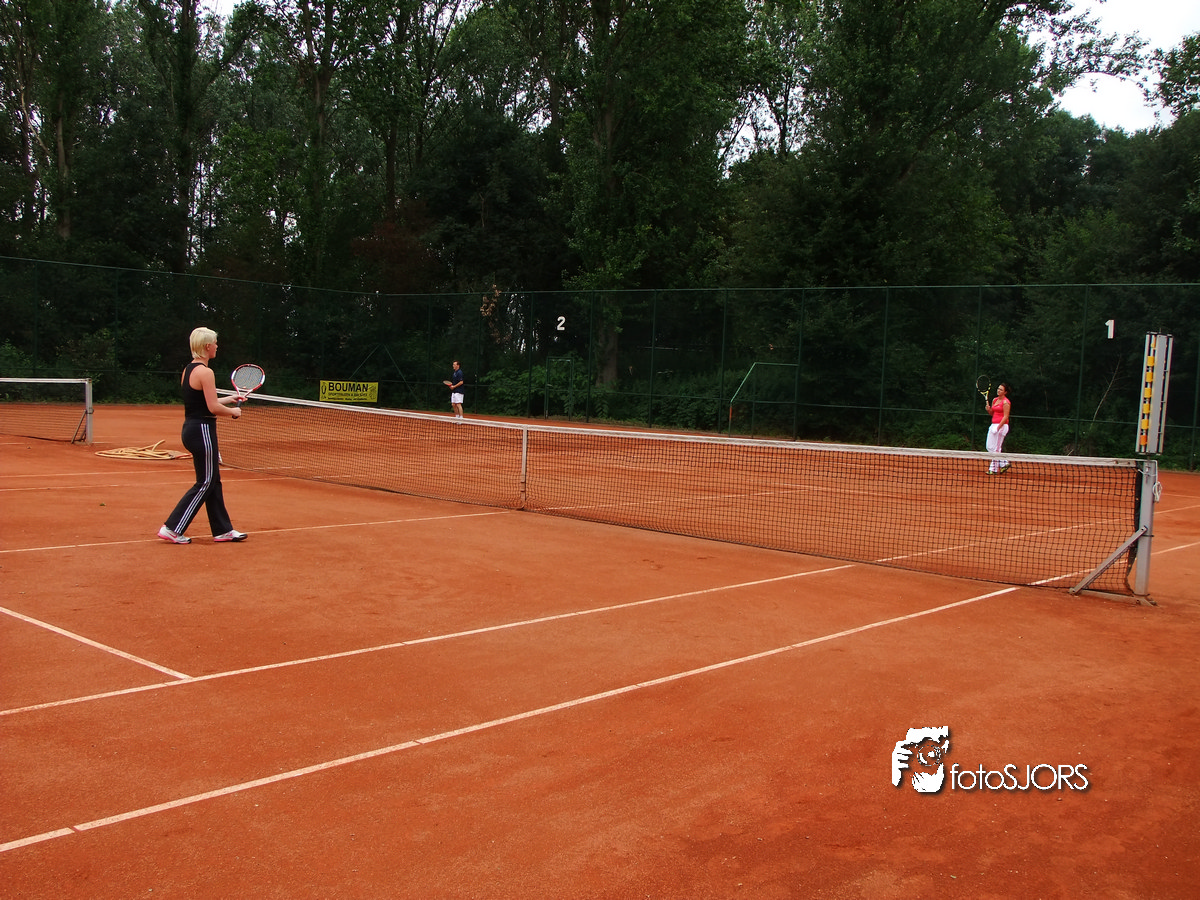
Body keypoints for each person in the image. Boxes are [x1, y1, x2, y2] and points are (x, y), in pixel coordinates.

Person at [158, 327, 248, 544]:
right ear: (208, 346)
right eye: (215, 343)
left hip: (192, 428)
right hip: (202, 431)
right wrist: (233, 411)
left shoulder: (189, 369)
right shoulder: (206, 372)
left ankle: (222, 530)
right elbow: (212, 408)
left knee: (213, 480)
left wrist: (230, 399)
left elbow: (204, 401)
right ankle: (172, 528)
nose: (217, 346)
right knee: (206, 481)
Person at [986, 382, 1011, 474]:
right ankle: (1004, 463)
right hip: (993, 424)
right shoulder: (995, 400)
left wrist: (998, 428)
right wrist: (988, 410)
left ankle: (993, 469)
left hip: (1002, 426)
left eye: (1001, 389)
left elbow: (1006, 416)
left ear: (1005, 392)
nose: (998, 390)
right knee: (989, 447)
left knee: (997, 448)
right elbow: (992, 413)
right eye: (998, 388)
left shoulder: (1006, 402)